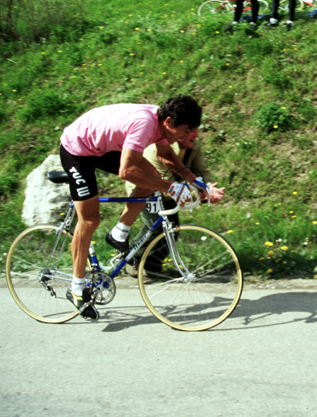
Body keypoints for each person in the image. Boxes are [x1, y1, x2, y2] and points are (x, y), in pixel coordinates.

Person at [59, 95, 216, 320]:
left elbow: (166, 155)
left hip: (101, 147)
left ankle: (118, 234)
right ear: (170, 122)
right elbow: (126, 171)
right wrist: (172, 188)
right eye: (189, 128)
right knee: (90, 220)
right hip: (78, 150)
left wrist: (195, 182)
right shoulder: (145, 124)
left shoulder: (160, 124)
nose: (194, 134)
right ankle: (76, 288)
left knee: (149, 177)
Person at [124, 129, 225, 278]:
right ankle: (130, 259)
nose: (196, 135)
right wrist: (202, 193)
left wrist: (209, 187)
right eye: (192, 131)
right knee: (155, 229)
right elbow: (164, 186)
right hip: (147, 190)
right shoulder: (155, 150)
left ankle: (151, 267)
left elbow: (201, 172)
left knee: (172, 231)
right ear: (181, 133)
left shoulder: (193, 145)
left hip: (172, 192)